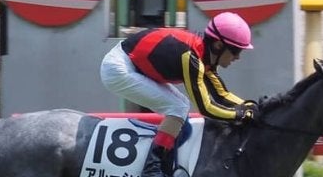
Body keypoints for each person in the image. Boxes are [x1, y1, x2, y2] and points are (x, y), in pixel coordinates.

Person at [99, 11, 259, 177]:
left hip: (130, 63)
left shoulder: (204, 56)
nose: (238, 57)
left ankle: (161, 162)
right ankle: (152, 168)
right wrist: (239, 115)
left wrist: (250, 106)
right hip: (118, 68)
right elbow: (205, 108)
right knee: (179, 106)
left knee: (180, 105)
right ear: (218, 45)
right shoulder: (191, 58)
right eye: (236, 51)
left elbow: (221, 95)